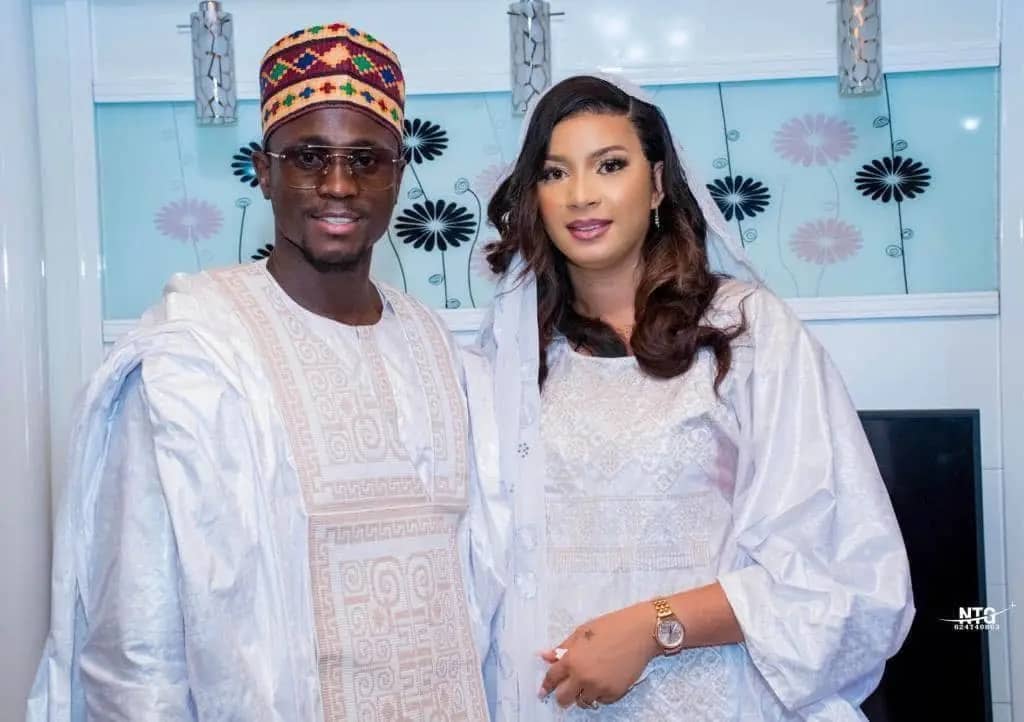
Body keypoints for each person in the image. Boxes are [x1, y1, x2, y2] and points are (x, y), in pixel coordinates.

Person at [28, 22, 501, 721]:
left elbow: (478, 587)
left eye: (365, 160)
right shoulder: (194, 355)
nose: (338, 185)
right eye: (308, 157)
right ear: (264, 170)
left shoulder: (438, 348)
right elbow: (136, 641)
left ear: (398, 175)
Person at [476, 74, 914, 720]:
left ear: (656, 184)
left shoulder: (747, 332)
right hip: (551, 703)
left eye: (610, 165)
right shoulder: (511, 359)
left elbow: (842, 568)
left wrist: (651, 627)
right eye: (554, 173)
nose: (581, 194)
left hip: (716, 699)